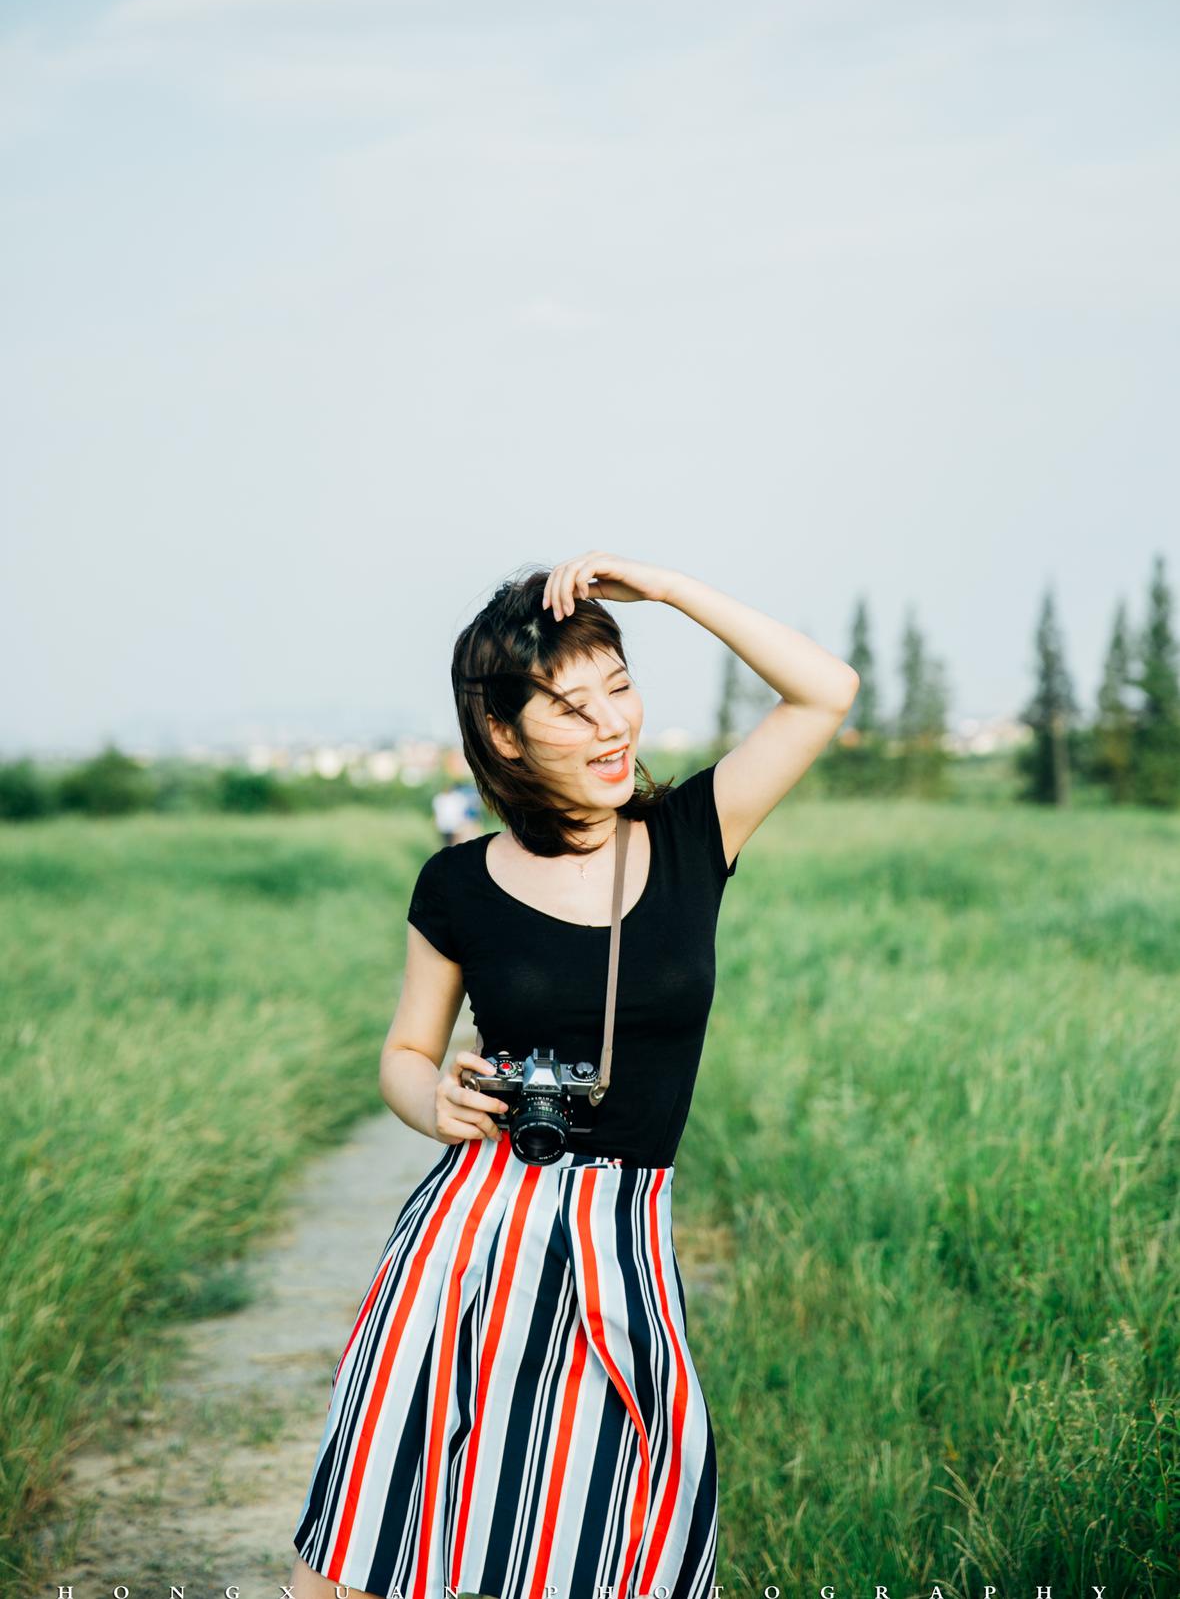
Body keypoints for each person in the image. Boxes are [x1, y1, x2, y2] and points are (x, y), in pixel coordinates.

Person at [289, 551, 859, 1599]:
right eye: (568, 706)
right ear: (503, 733)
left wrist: (669, 590)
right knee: (376, 1539)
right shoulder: (456, 884)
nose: (610, 726)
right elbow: (405, 1055)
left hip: (623, 1243)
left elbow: (827, 689)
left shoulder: (692, 835)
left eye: (619, 689)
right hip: (471, 1235)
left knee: (620, 1534)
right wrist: (433, 1100)